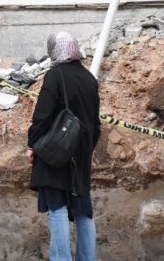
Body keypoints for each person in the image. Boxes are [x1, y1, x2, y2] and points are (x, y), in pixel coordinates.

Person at [24, 32, 101, 261]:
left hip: (56, 153)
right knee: (83, 210)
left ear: (55, 50)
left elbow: (43, 115)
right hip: (82, 153)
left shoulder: (55, 75)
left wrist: (32, 145)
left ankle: (61, 258)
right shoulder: (89, 78)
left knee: (56, 208)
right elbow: (95, 124)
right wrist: (85, 149)